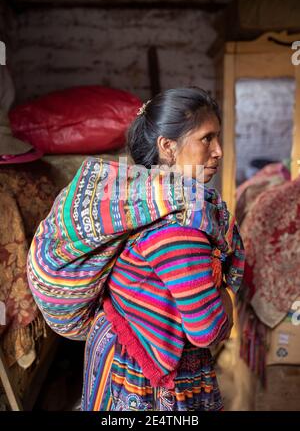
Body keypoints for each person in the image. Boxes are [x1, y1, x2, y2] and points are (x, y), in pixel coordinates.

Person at [27, 87, 244, 411]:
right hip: (140, 374)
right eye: (206, 138)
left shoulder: (144, 200)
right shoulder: (179, 227)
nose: (218, 151)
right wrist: (226, 296)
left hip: (117, 344)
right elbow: (207, 330)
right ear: (168, 146)